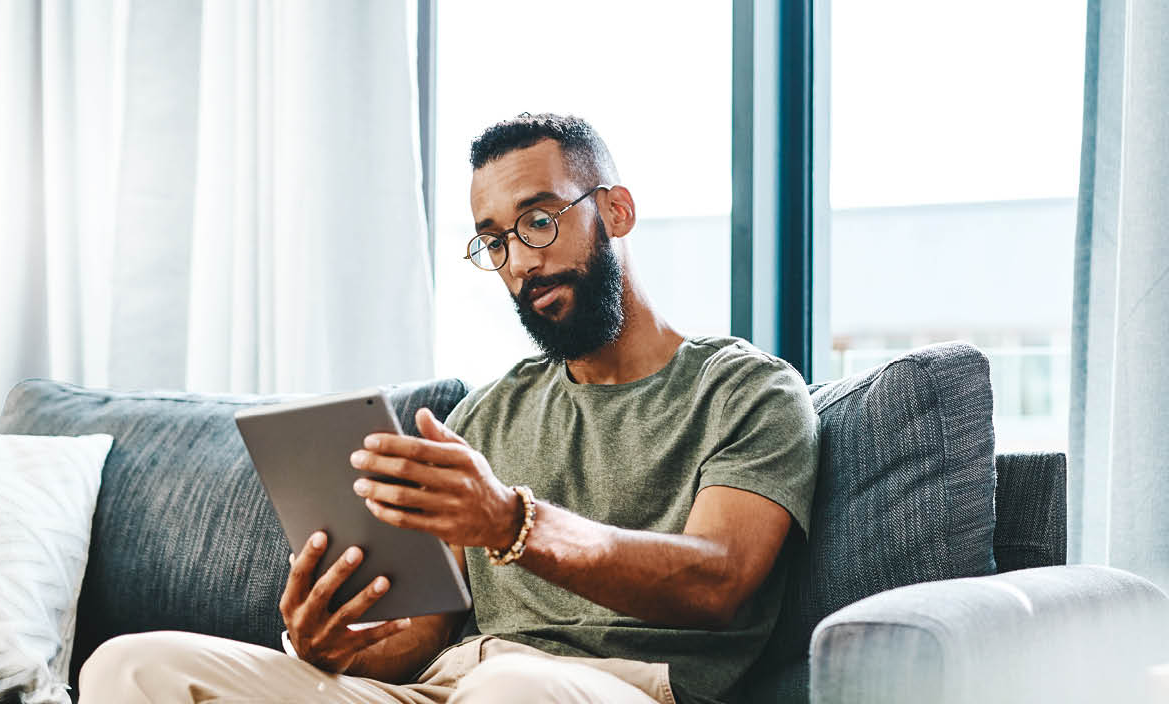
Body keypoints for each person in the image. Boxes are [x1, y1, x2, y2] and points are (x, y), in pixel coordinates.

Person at [78, 113, 818, 704]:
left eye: (538, 221)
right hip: (457, 682)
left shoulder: (748, 392)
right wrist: (329, 643)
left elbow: (716, 582)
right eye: (494, 242)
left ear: (616, 212)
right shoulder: (488, 416)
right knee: (130, 668)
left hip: (623, 687)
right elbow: (425, 633)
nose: (520, 264)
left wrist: (513, 524)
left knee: (512, 689)